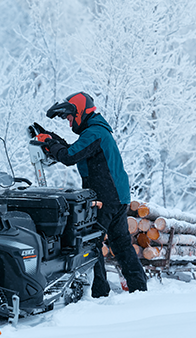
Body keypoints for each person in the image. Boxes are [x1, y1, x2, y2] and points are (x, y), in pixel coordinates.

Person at [33, 92, 149, 295]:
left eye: (70, 117)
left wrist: (50, 143)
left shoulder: (94, 133)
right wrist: (52, 138)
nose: (69, 122)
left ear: (79, 112)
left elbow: (69, 156)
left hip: (106, 197)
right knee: (121, 244)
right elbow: (75, 150)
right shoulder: (97, 131)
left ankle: (99, 292)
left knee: (91, 242)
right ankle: (139, 287)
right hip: (117, 196)